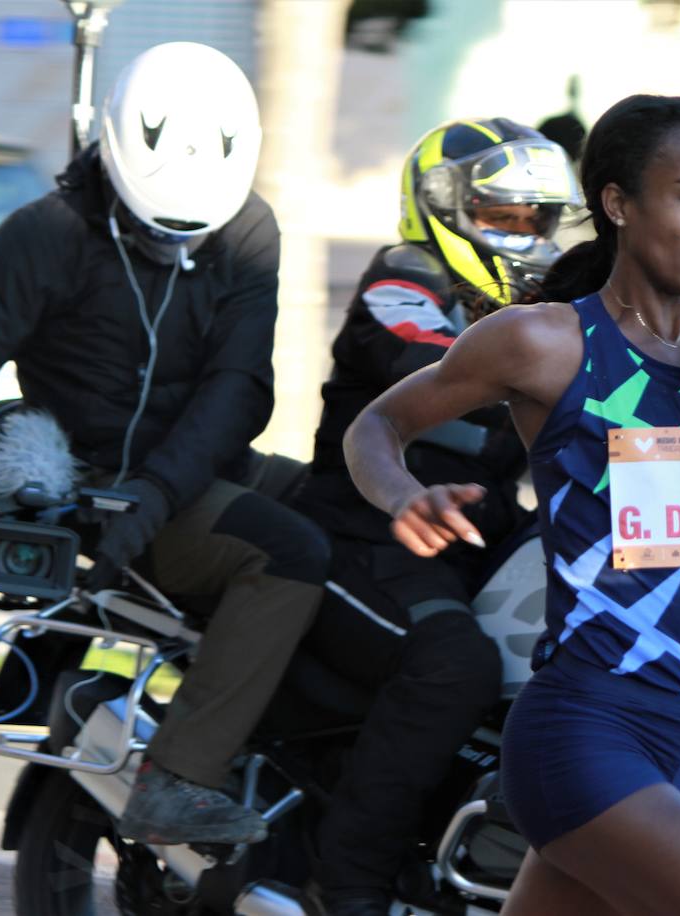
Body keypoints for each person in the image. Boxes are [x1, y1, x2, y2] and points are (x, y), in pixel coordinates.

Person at [342, 94, 680, 915]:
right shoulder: (547, 343)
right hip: (583, 734)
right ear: (619, 204)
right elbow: (378, 424)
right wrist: (404, 495)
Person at [0, 42, 327, 847]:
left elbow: (238, 384)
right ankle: (180, 776)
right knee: (289, 557)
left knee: (344, 513)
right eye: (152, 228)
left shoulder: (249, 229)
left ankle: (298, 750)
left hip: (185, 474)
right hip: (93, 486)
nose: (174, 244)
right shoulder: (48, 233)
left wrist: (163, 492)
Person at [291, 117, 582, 914]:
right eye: (503, 217)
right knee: (453, 666)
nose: (524, 236)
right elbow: (426, 359)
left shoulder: (542, 301)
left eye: (538, 219)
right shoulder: (403, 276)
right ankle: (347, 884)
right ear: (444, 207)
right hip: (371, 529)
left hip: (482, 529)